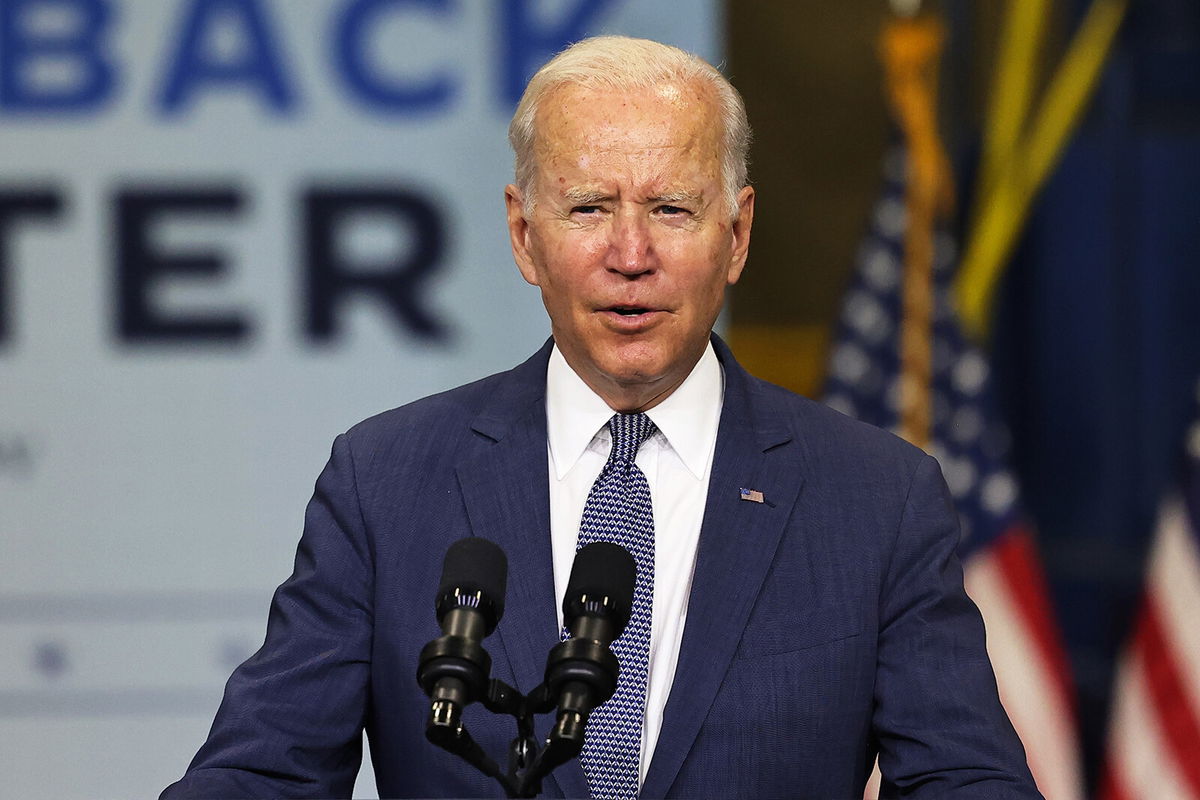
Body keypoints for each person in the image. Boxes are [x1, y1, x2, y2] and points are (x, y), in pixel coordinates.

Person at [162, 36, 1041, 799]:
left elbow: (968, 781)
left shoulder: (876, 499)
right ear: (523, 235)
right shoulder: (385, 482)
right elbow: (263, 773)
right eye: (589, 208)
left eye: (671, 209)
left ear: (736, 236)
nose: (631, 256)